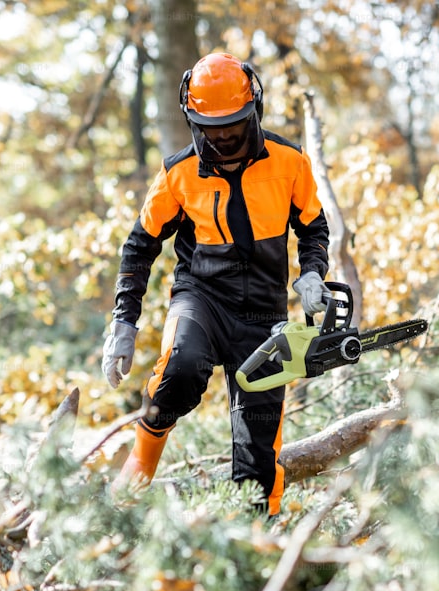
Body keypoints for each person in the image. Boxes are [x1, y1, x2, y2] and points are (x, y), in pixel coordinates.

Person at [101, 52, 331, 516]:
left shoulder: (289, 161)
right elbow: (140, 245)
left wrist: (311, 272)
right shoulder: (178, 173)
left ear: (254, 111)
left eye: (233, 125)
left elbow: (313, 227)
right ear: (192, 120)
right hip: (201, 300)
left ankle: (256, 543)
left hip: (265, 313)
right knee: (179, 371)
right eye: (211, 127)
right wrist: (124, 321)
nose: (223, 136)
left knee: (257, 454)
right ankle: (126, 493)